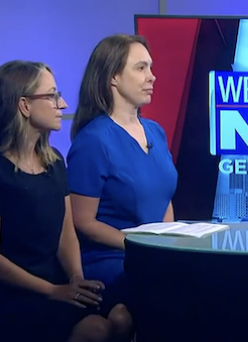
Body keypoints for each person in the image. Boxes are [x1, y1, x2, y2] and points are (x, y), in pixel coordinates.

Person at [0, 61, 133, 342]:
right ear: (24, 105)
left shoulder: (54, 161)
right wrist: (55, 290)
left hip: (55, 286)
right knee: (94, 330)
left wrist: (76, 277)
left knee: (121, 318)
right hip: (13, 296)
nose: (61, 103)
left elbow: (66, 234)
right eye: (52, 95)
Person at [67, 34, 178, 313]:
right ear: (113, 77)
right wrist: (142, 246)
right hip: (110, 257)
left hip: (152, 254)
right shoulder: (94, 140)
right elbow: (82, 221)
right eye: (141, 68)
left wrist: (170, 241)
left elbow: (165, 197)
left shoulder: (156, 132)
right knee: (176, 286)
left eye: (150, 68)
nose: (151, 77)